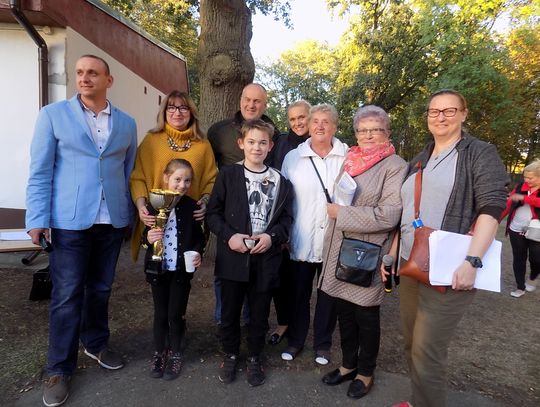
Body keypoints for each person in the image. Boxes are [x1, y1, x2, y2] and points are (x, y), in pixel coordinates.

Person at [25, 55, 138, 407]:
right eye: (79, 73)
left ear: (109, 80)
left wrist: (130, 216)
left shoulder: (127, 123)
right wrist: (37, 218)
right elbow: (40, 170)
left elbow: (128, 170)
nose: (85, 78)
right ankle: (59, 368)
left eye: (93, 73)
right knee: (67, 294)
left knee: (101, 288)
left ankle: (96, 343)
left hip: (111, 221)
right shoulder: (52, 115)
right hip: (68, 221)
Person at [391, 90, 508, 407]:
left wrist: (472, 261)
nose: (440, 117)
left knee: (427, 351)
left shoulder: (479, 153)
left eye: (449, 110)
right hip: (412, 263)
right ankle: (418, 401)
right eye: (434, 111)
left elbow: (491, 208)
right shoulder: (420, 158)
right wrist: (392, 255)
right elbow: (405, 212)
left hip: (450, 268)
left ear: (464, 114)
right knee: (411, 344)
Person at [318, 105, 407, 399]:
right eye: (362, 130)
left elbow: (389, 215)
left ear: (387, 133)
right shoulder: (351, 160)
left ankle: (365, 372)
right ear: (356, 133)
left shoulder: (395, 166)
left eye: (375, 130)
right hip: (339, 248)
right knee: (344, 313)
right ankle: (348, 365)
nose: (368, 135)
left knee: (366, 318)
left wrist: (341, 214)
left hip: (367, 253)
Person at [206, 119, 293, 386]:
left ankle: (255, 356)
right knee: (229, 313)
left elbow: (286, 220)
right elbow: (212, 214)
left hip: (265, 260)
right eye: (251, 142)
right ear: (241, 144)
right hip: (233, 257)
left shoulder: (280, 181)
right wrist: (229, 236)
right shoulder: (228, 175)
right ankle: (230, 354)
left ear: (271, 146)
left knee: (259, 313)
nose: (257, 147)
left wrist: (271, 236)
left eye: (262, 143)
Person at [280, 104, 348, 364]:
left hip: (334, 240)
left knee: (328, 295)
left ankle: (322, 344)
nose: (320, 126)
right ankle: (295, 340)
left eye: (325, 121)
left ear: (335, 127)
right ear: (308, 126)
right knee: (298, 294)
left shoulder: (348, 156)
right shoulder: (293, 158)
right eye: (315, 121)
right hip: (301, 239)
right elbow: (283, 199)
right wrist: (284, 234)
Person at [207, 83, 279, 327]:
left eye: (257, 101)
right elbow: (208, 166)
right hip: (229, 210)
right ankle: (224, 321)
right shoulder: (219, 131)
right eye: (247, 99)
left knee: (255, 272)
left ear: (264, 105)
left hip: (260, 210)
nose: (251, 104)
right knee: (227, 269)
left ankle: (251, 321)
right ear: (240, 100)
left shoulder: (273, 132)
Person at [130, 90, 217, 261]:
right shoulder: (151, 141)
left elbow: (212, 179)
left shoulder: (203, 144)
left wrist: (205, 202)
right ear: (164, 112)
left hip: (188, 221)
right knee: (156, 266)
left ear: (191, 112)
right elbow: (138, 177)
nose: (177, 113)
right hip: (156, 219)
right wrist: (141, 207)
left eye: (183, 108)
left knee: (183, 269)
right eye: (171, 107)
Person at [142, 159, 205, 381]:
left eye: (187, 180)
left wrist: (197, 253)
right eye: (177, 179)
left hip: (181, 272)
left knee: (175, 314)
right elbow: (144, 238)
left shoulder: (192, 207)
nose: (182, 185)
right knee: (160, 313)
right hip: (157, 271)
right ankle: (160, 352)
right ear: (166, 178)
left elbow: (199, 238)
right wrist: (149, 238)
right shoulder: (153, 205)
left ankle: (176, 352)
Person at [266, 100, 312, 346]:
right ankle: (284, 322)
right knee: (281, 278)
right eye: (292, 119)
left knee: (303, 282)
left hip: (312, 220)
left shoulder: (322, 143)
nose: (297, 123)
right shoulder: (281, 143)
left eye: (301, 117)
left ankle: (302, 328)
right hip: (284, 218)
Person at [500, 160, 540, 297]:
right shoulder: (520, 187)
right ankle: (520, 287)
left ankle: (533, 277)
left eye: (530, 178)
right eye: (525, 177)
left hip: (536, 231)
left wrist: (524, 198)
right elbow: (508, 204)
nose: (526, 180)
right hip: (516, 229)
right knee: (519, 258)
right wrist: (495, 221)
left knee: (536, 259)